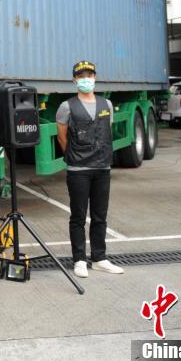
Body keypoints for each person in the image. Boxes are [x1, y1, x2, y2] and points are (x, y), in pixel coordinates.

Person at [56, 60, 124, 278]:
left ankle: (99, 257)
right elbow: (62, 136)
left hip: (102, 166)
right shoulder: (66, 106)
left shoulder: (107, 104)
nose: (86, 79)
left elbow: (106, 131)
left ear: (95, 77)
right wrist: (75, 157)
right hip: (78, 169)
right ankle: (79, 259)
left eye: (90, 75)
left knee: (100, 215)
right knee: (78, 216)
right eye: (81, 75)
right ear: (75, 79)